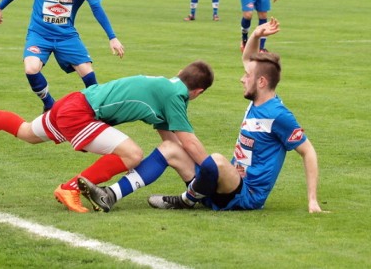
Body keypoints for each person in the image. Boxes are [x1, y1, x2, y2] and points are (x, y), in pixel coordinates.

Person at [78, 18, 323, 214]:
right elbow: (248, 59)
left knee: (215, 160)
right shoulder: (258, 98)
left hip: (245, 195)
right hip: (222, 186)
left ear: (261, 82)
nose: (241, 78)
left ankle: (185, 200)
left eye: (246, 77)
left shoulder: (278, 115)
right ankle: (110, 195)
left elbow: (308, 151)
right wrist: (257, 35)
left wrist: (312, 200)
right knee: (169, 147)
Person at [0, 61, 214, 213]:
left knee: (26, 132)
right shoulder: (176, 96)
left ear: (179, 73)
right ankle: (70, 187)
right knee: (132, 154)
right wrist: (209, 171)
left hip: (75, 102)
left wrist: (193, 178)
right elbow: (186, 141)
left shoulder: (164, 86)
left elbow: (171, 143)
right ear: (198, 92)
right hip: (82, 113)